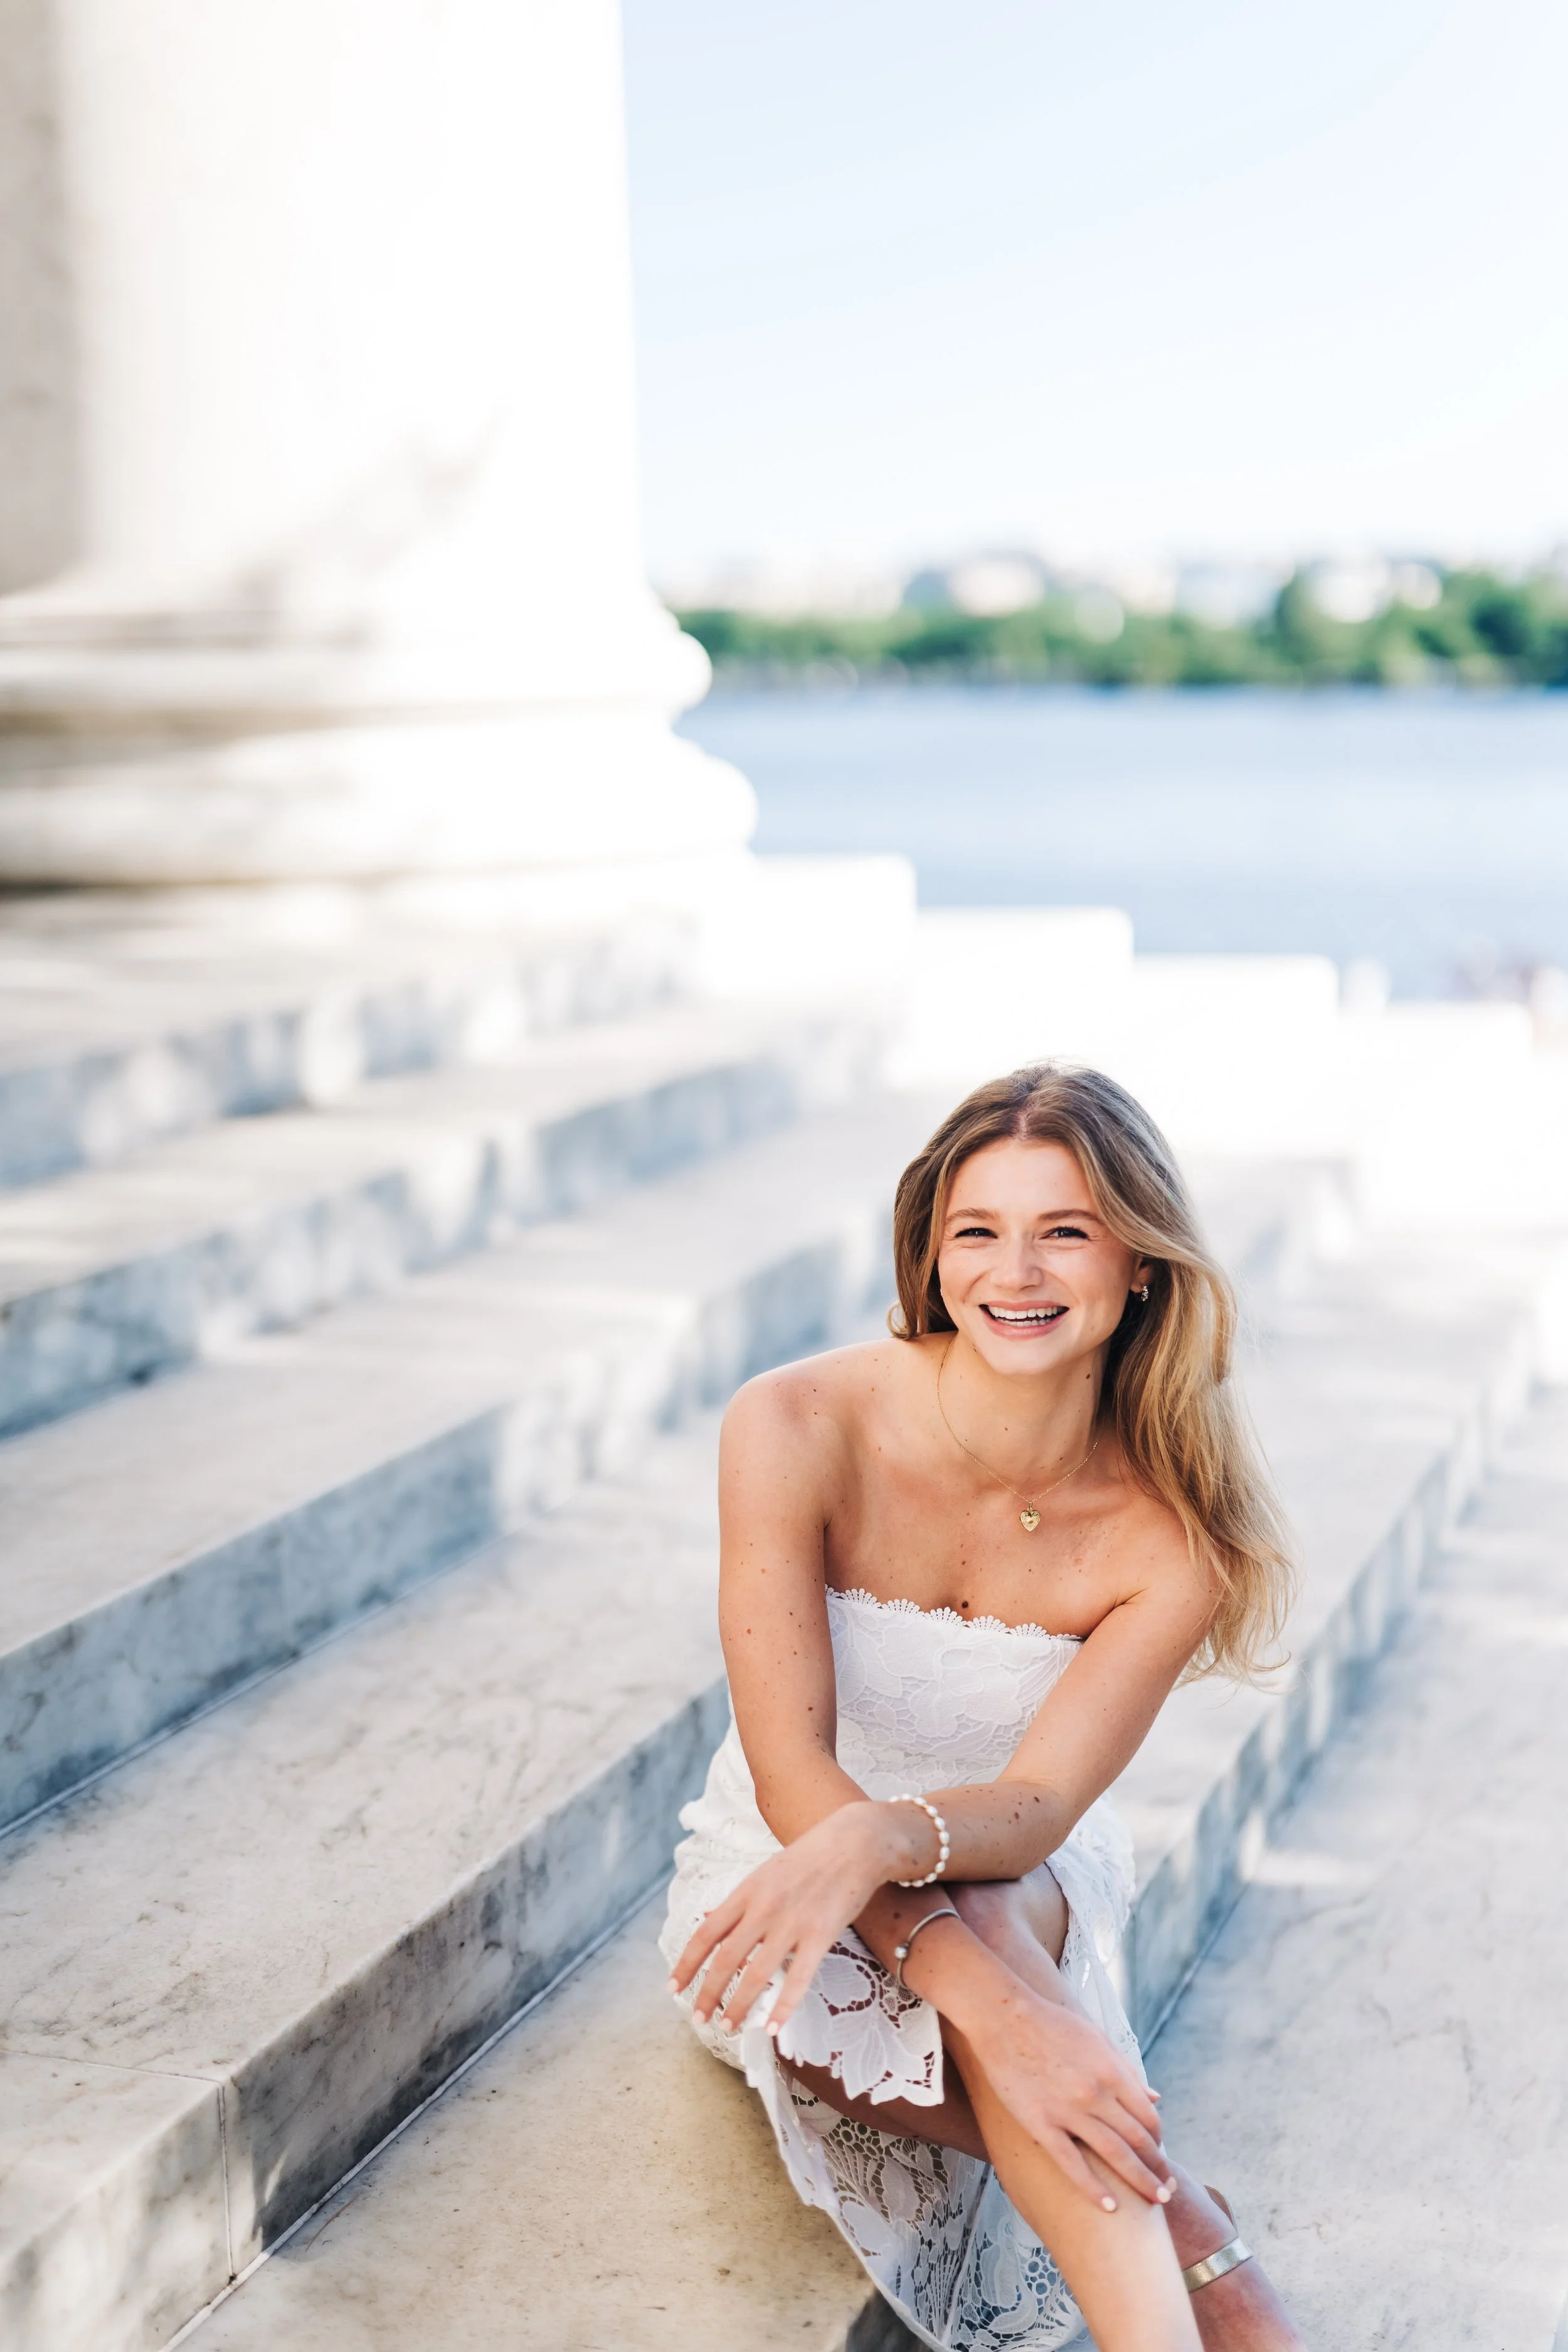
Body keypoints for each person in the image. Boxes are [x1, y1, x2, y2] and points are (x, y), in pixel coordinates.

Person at [662, 1062, 1307, 2351]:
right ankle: (1193, 2247)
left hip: (1027, 1863)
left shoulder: (1176, 1538)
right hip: (784, 1849)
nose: (1013, 1272)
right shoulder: (793, 1423)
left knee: (1002, 1905)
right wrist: (1005, 2017)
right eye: (978, 1231)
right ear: (931, 1252)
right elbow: (794, 1769)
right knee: (869, 1989)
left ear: (1139, 1263)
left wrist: (890, 1846)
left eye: (1062, 1230)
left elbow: (1034, 1805)